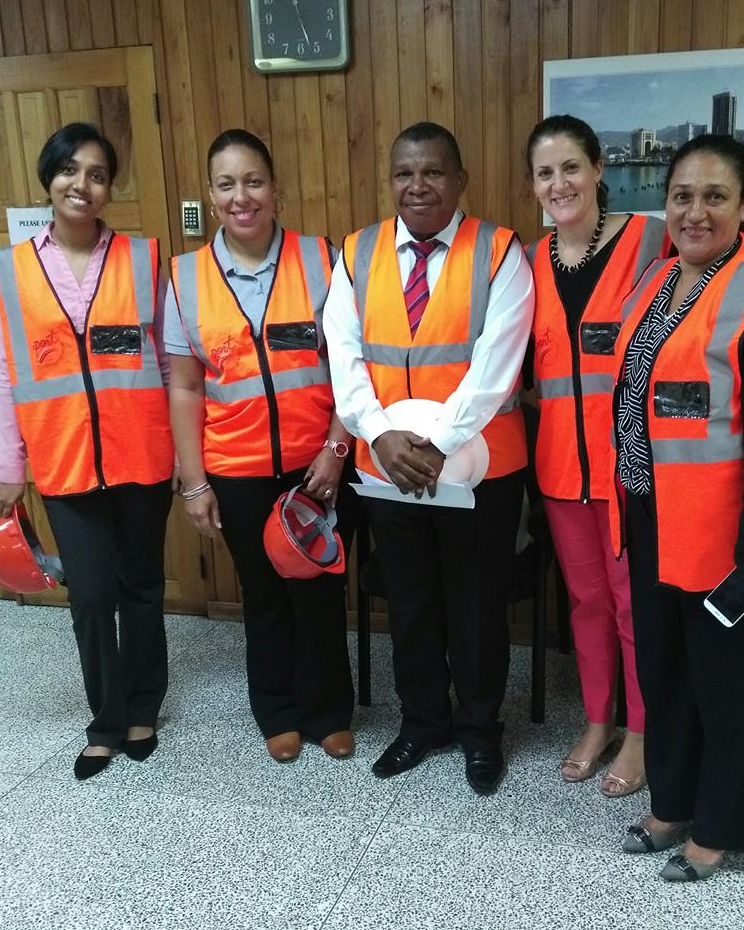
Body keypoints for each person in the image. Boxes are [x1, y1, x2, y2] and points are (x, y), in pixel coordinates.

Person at [609, 134, 744, 880]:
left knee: (727, 689)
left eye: (715, 196)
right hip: (650, 518)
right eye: (682, 196)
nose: (695, 212)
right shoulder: (656, 281)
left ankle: (718, 828)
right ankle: (672, 804)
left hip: (728, 539)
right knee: (665, 676)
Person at [323, 122, 534, 795]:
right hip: (387, 467)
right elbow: (343, 354)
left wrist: (439, 443)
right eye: (404, 173)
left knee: (476, 605)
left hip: (480, 466)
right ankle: (421, 722)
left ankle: (479, 731)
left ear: (459, 180)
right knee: (410, 601)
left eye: (433, 172)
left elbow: (498, 363)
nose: (417, 186)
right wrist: (379, 435)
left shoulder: (499, 252)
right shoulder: (356, 252)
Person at [0, 123, 174, 780]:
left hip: (142, 455)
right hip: (64, 459)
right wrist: (9, 464)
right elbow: (9, 373)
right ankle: (106, 721)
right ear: (49, 177)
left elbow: (167, 361)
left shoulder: (142, 260)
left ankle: (144, 707)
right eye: (70, 170)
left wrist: (186, 455)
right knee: (91, 595)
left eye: (97, 174)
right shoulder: (13, 268)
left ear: (109, 187)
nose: (82, 184)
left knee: (141, 587)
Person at [165, 128, 355, 763]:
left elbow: (351, 368)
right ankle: (276, 711)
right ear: (211, 195)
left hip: (316, 464)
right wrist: (194, 482)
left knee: (320, 588)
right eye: (227, 185)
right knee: (265, 593)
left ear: (276, 189)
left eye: (253, 181)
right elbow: (185, 387)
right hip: (236, 468)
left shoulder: (322, 259)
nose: (241, 196)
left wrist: (337, 449)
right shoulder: (185, 278)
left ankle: (328, 711)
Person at [525, 115, 666, 796]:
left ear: (598, 169)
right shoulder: (530, 261)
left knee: (633, 605)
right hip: (559, 470)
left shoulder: (650, 241)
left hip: (631, 471)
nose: (559, 184)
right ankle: (596, 720)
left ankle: (640, 732)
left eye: (571, 167)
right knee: (585, 602)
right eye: (545, 173)